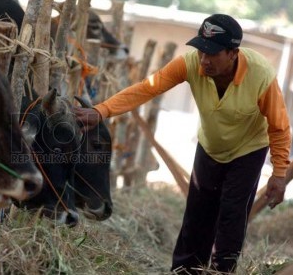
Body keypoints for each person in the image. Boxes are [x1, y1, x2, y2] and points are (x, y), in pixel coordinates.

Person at [74, 14, 291, 274]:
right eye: (201, 51)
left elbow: (279, 127)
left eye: (212, 53)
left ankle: (221, 270)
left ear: (233, 53)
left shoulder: (261, 75)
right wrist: (102, 111)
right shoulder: (190, 64)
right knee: (197, 214)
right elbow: (147, 88)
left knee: (232, 216)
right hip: (210, 145)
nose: (204, 59)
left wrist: (279, 174)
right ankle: (184, 271)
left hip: (249, 150)